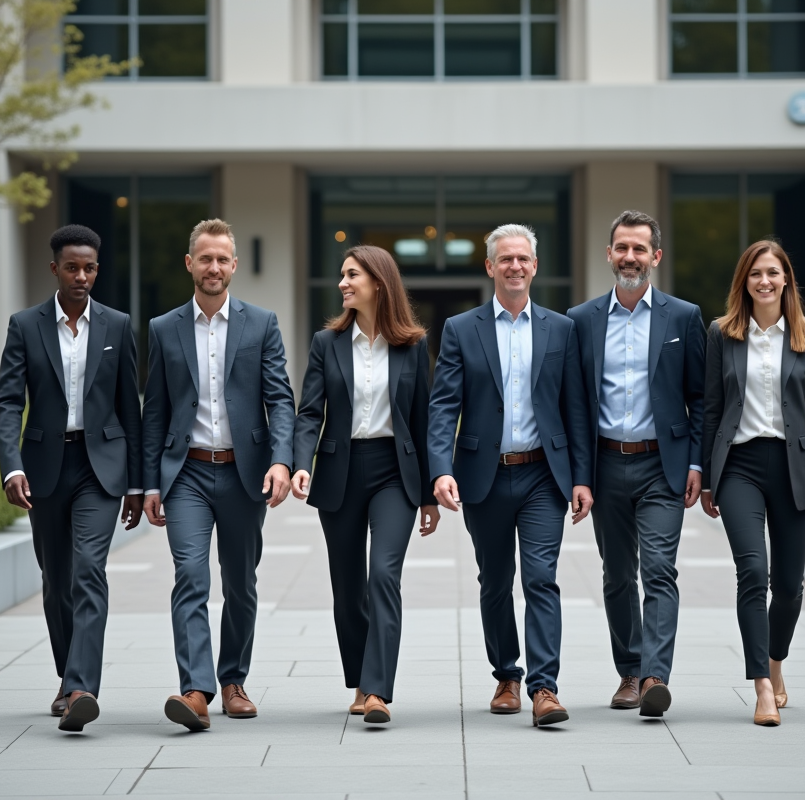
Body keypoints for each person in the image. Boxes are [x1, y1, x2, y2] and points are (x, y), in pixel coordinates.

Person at [428, 223, 593, 728]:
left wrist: (582, 477)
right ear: (491, 267)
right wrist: (440, 470)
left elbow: (575, 410)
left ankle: (545, 687)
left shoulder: (561, 329)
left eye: (523, 259)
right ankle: (506, 675)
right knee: (495, 581)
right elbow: (443, 406)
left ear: (534, 266)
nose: (515, 267)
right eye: (506, 260)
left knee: (541, 578)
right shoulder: (461, 328)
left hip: (544, 475)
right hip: (485, 477)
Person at [141, 218, 296, 731]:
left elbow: (280, 398)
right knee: (190, 575)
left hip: (243, 474)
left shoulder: (262, 323)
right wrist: (150, 483)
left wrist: (281, 460)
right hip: (185, 473)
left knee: (240, 583)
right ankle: (196, 689)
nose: (213, 267)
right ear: (190, 263)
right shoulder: (164, 328)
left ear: (234, 264)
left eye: (221, 259)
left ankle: (233, 681)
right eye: (204, 258)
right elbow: (155, 412)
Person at [0, 224, 144, 733]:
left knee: (88, 572)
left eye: (90, 268)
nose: (82, 276)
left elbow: (131, 408)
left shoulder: (118, 325)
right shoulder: (25, 325)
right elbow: (9, 401)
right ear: (54, 268)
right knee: (56, 581)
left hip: (100, 469)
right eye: (73, 267)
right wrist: (11, 465)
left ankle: (82, 686)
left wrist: (138, 484)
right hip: (44, 470)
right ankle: (67, 677)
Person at [701, 239, 805, 727]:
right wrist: (706, 477)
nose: (764, 281)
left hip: (795, 469)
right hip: (739, 467)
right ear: (743, 283)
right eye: (754, 274)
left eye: (772, 272)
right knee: (753, 573)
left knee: (788, 589)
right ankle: (761, 687)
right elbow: (709, 411)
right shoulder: (722, 333)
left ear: (786, 278)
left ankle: (775, 660)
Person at [291, 245, 440, 725]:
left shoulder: (413, 346)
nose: (342, 283)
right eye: (341, 275)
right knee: (347, 585)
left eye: (351, 274)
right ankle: (358, 678)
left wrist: (429, 491)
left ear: (378, 281)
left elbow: (425, 422)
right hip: (340, 470)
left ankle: (377, 690)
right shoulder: (326, 343)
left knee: (384, 575)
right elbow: (310, 411)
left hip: (394, 472)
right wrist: (300, 462)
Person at [567, 210, 705, 718]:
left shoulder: (684, 317)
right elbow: (576, 406)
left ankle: (653, 677)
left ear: (656, 257)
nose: (630, 257)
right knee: (617, 575)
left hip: (661, 467)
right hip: (605, 466)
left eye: (639, 249)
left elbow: (700, 398)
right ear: (609, 254)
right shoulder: (581, 320)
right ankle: (628, 669)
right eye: (622, 248)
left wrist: (696, 464)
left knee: (660, 570)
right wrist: (579, 477)